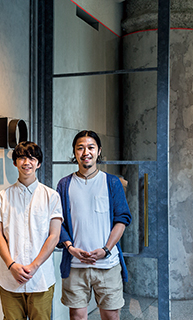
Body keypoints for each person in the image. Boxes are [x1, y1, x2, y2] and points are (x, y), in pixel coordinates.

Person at [56, 130, 132, 320]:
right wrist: (70, 248)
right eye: (80, 148)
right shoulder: (65, 185)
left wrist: (106, 249)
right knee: (77, 317)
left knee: (111, 316)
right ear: (74, 152)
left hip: (107, 264)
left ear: (99, 151)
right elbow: (58, 222)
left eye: (91, 147)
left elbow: (122, 219)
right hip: (75, 265)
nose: (85, 152)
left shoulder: (112, 182)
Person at [0, 141, 63, 320]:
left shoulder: (51, 196)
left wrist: (34, 265)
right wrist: (11, 265)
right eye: (22, 157)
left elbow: (54, 236)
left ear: (38, 163)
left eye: (32, 158)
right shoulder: (2, 197)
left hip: (41, 278)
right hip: (9, 278)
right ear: (15, 162)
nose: (27, 162)